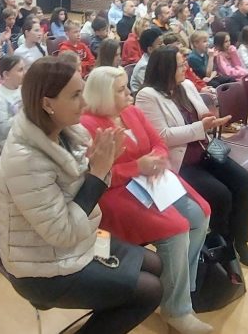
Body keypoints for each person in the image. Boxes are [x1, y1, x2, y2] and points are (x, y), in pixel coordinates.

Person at [0, 57, 161, 334]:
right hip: (43, 267)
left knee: (155, 264)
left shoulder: (68, 132)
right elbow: (63, 232)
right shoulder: (24, 160)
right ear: (47, 104)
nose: (84, 103)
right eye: (74, 95)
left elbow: (85, 191)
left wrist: (103, 166)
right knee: (150, 290)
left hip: (82, 240)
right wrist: (99, 171)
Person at [80, 67, 214, 334]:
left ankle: (179, 288)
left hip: (150, 180)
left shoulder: (132, 112)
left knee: (201, 213)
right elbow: (95, 175)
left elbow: (159, 143)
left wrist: (157, 159)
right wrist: (137, 166)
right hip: (113, 193)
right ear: (103, 94)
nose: (129, 92)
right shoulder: (88, 126)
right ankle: (176, 310)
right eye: (121, 89)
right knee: (176, 229)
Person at [136, 46, 248, 268]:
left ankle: (240, 242)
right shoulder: (147, 96)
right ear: (165, 69)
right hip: (180, 162)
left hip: (205, 151)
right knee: (220, 194)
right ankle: (222, 247)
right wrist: (200, 127)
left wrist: (211, 121)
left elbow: (202, 115)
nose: (186, 67)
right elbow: (162, 137)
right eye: (180, 65)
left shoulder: (185, 86)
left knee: (242, 180)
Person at [0, 55, 25, 154]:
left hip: (25, 135)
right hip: (6, 142)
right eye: (20, 70)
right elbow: (4, 129)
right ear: (6, 74)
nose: (24, 73)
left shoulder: (23, 89)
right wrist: (25, 110)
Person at [129, 28, 165, 94]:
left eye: (163, 43)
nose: (164, 46)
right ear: (150, 49)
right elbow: (153, 89)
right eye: (160, 44)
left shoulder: (159, 60)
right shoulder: (143, 67)